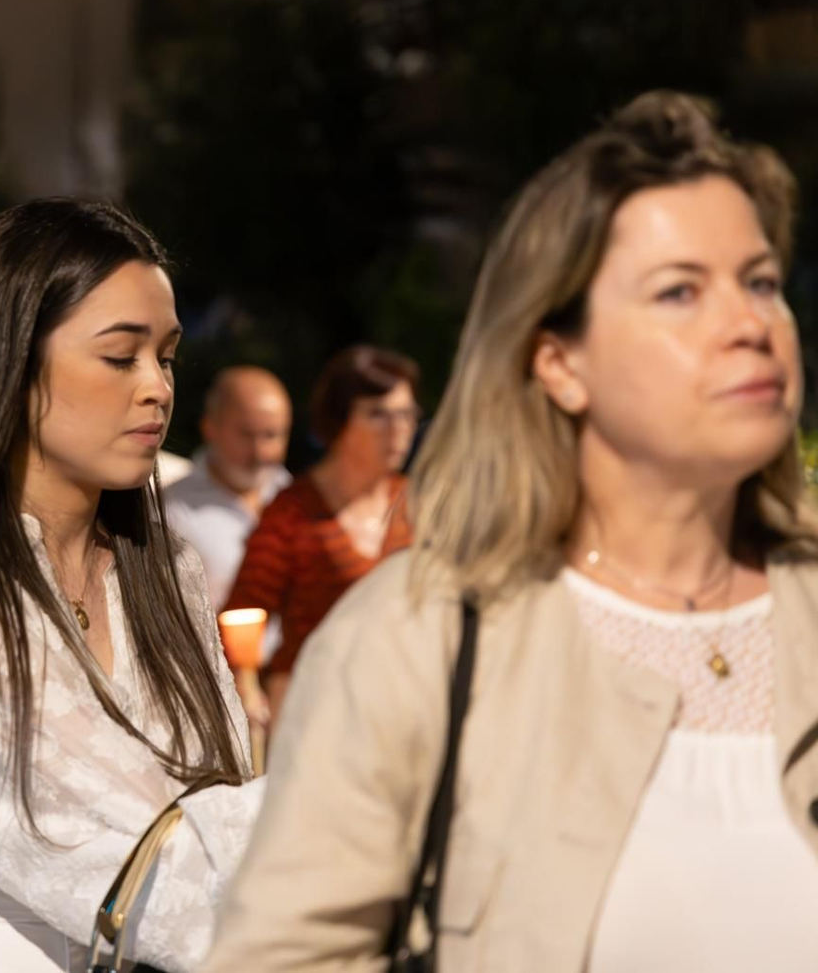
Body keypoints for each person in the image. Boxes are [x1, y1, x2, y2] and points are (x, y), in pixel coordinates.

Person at [204, 91, 818, 971]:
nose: (751, 324)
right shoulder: (417, 639)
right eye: (680, 290)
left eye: (761, 281)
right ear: (559, 362)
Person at [0, 198, 264, 973]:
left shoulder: (165, 567)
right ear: (11, 361)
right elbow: (121, 850)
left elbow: (220, 807)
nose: (156, 388)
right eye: (120, 356)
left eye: (166, 357)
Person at [222, 345, 418, 715]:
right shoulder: (293, 512)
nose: (398, 429)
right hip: (311, 706)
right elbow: (240, 616)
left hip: (399, 705)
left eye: (406, 414)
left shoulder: (419, 506)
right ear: (339, 421)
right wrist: (245, 692)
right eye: (378, 414)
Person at [164, 366, 293, 612]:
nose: (259, 452)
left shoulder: (296, 497)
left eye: (271, 435)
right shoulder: (169, 512)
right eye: (246, 434)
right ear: (210, 428)